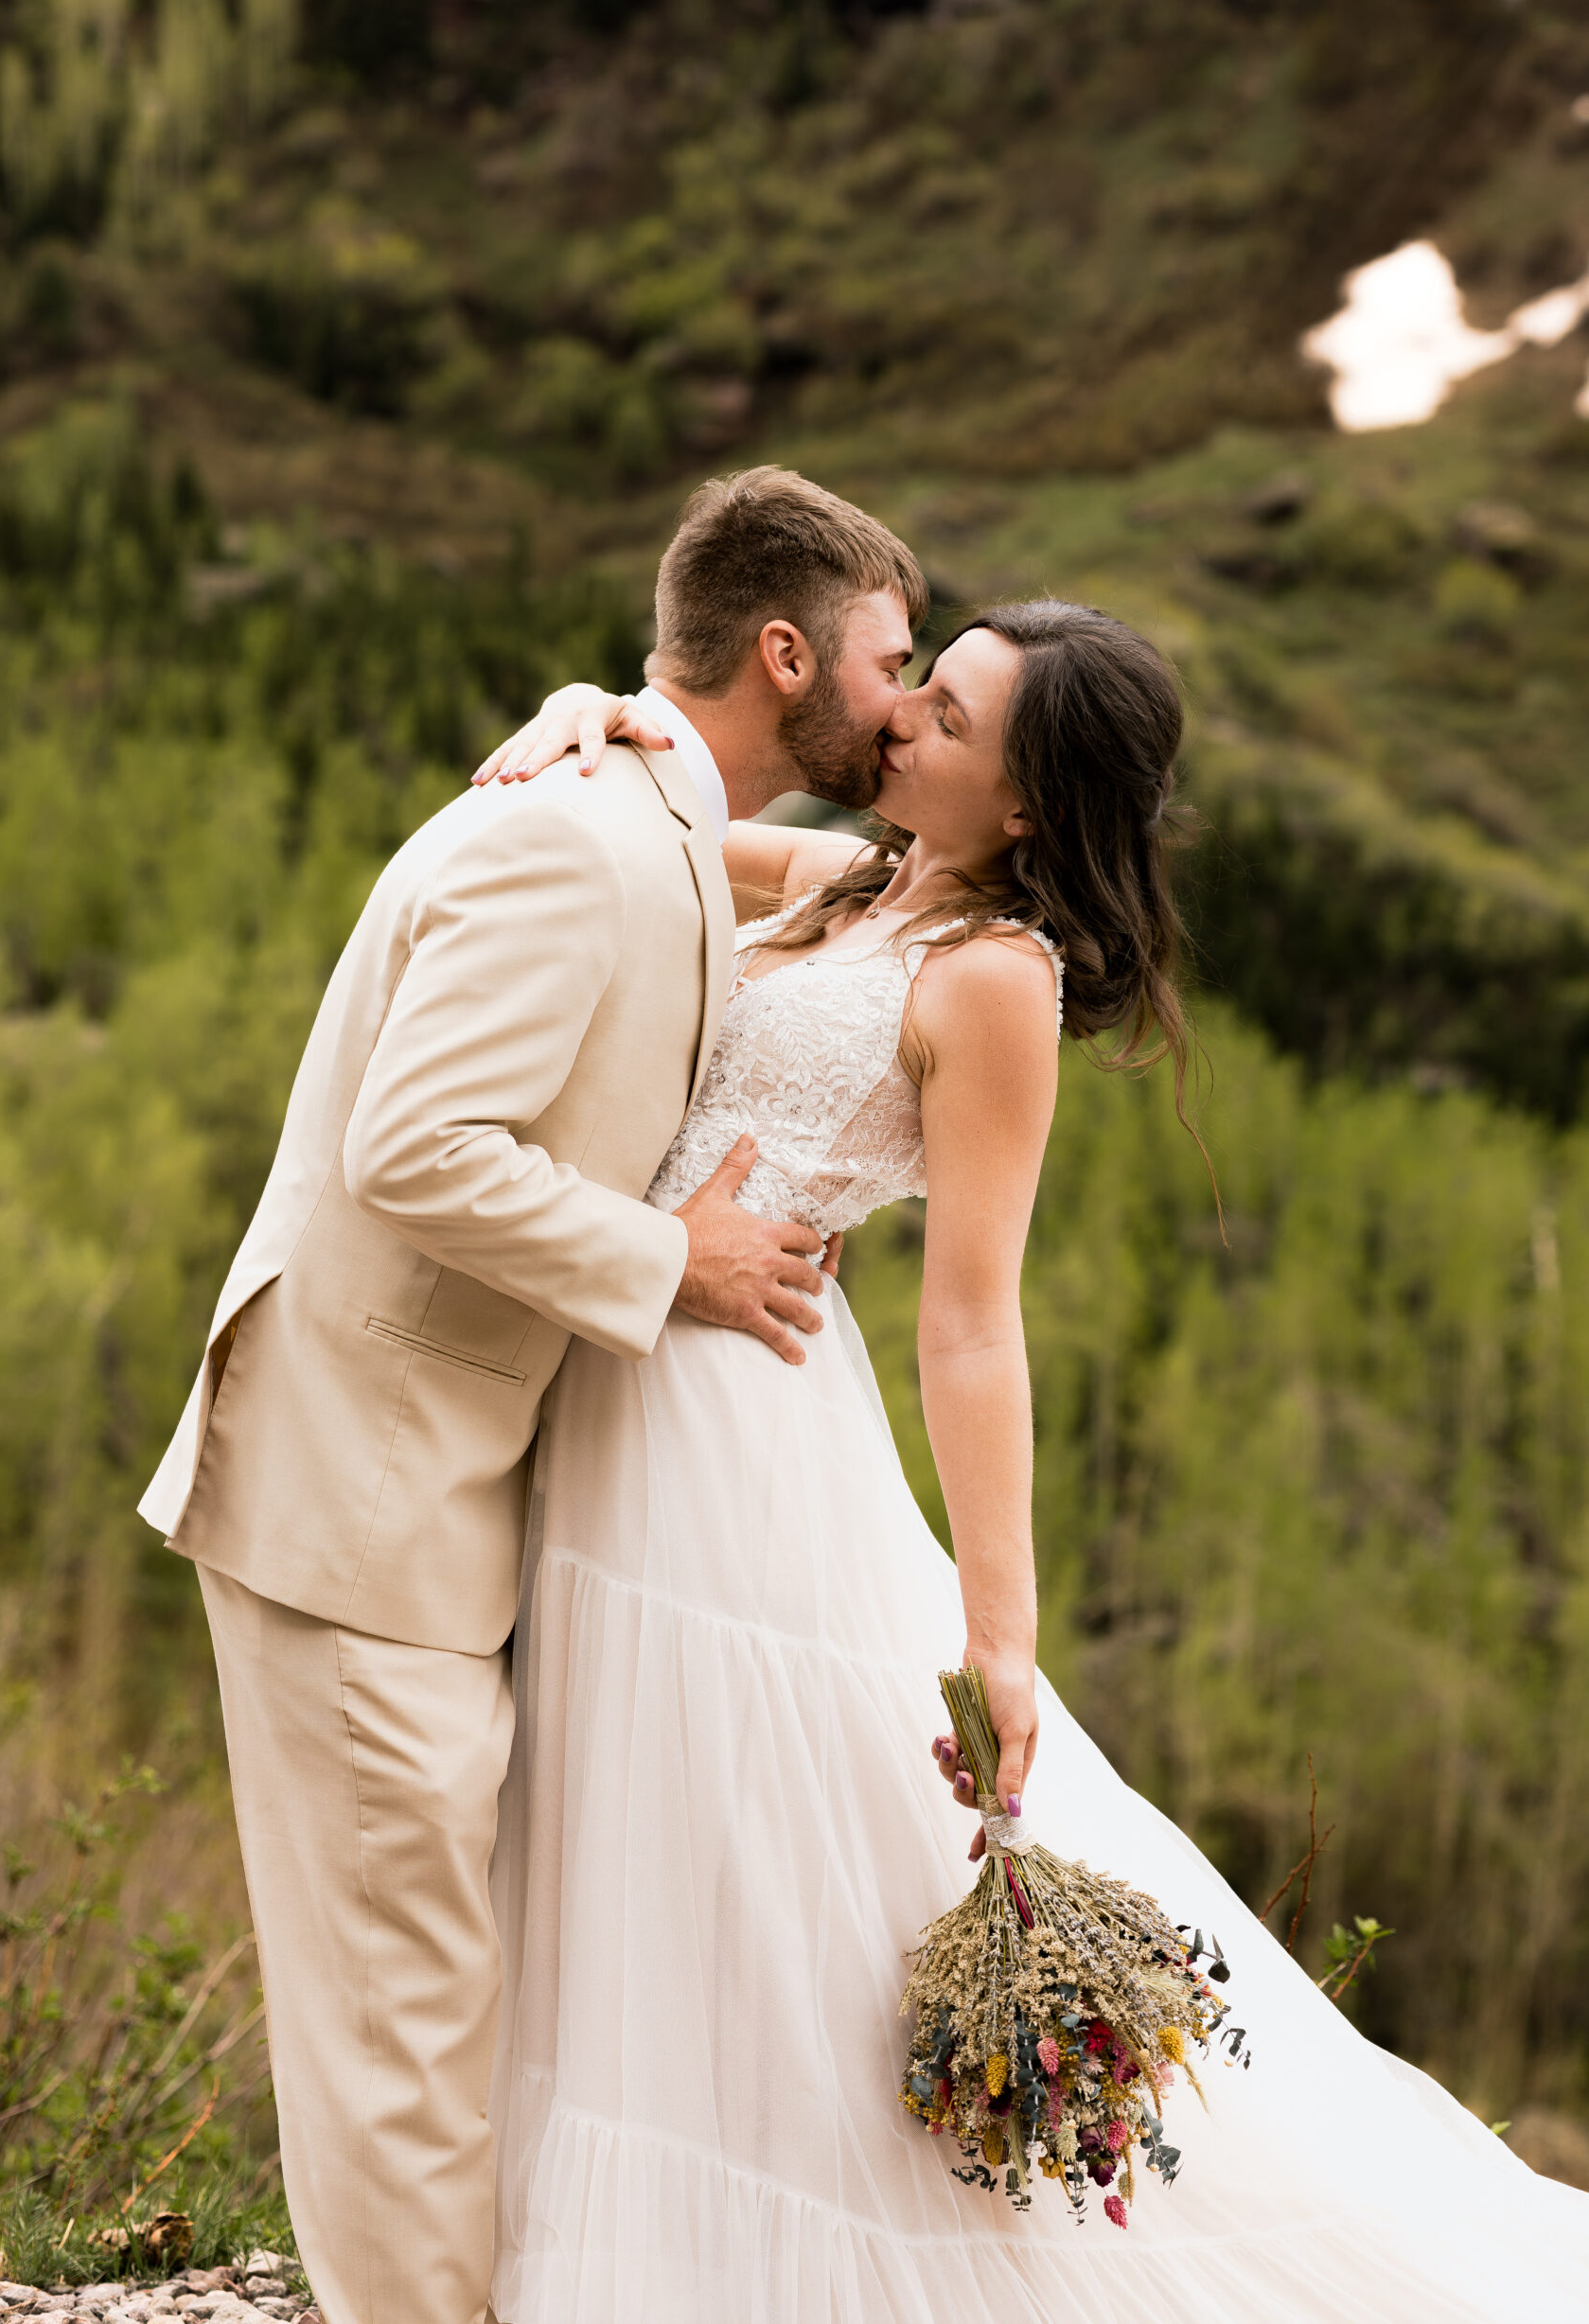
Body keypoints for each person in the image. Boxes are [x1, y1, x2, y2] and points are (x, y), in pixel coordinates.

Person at [471, 602, 1589, 2322]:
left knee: (752, 1848)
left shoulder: (990, 977)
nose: (901, 713)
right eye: (925, 677)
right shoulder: (856, 879)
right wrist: (585, 708)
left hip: (744, 1425)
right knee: (633, 1830)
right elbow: (664, 812)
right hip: (624, 1381)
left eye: (953, 711)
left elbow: (975, 1322)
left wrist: (1003, 1634)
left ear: (1027, 810)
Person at [135, 467, 929, 2324]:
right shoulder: (568, 835)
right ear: (786, 650)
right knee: (405, 2024)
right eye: (893, 662)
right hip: (356, 1492)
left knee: (443, 1991)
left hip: (448, 1490)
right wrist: (682, 1268)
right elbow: (412, 1146)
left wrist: (604, 709)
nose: (898, 706)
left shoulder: (634, 801)